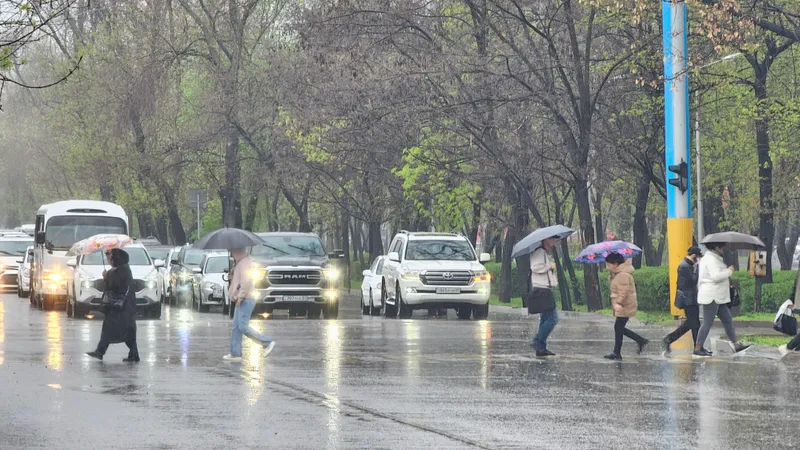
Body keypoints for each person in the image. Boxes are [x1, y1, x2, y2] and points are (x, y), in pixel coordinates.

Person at [693, 242, 750, 357]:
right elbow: (715, 277)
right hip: (712, 297)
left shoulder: (713, 258)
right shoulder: (711, 259)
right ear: (716, 248)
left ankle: (736, 344)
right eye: (722, 247)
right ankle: (698, 348)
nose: (724, 249)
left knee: (728, 320)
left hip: (718, 297)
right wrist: (729, 271)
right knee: (707, 323)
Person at [87, 248, 139, 362]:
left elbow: (114, 286)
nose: (109, 260)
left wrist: (106, 277)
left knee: (111, 329)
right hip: (124, 307)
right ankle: (134, 354)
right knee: (127, 331)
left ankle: (100, 351)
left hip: (120, 307)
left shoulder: (120, 271)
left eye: (111, 257)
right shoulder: (123, 269)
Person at [223, 248, 275, 361]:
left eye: (233, 252)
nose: (232, 254)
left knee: (242, 326)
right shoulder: (240, 263)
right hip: (241, 298)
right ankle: (235, 353)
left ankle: (266, 342)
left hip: (246, 299)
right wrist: (232, 278)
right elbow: (240, 281)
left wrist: (240, 297)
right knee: (236, 327)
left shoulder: (245, 263)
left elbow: (246, 282)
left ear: (238, 252)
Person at [603, 252, 648, 360]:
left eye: (609, 264)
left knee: (618, 327)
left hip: (624, 304)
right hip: (624, 304)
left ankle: (617, 352)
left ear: (615, 263)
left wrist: (619, 303)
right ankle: (640, 341)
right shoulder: (620, 273)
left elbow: (623, 291)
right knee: (619, 327)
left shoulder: (622, 274)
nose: (608, 266)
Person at [662, 247, 703, 353]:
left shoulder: (687, 265)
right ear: (693, 255)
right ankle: (697, 348)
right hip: (688, 299)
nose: (698, 259)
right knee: (694, 324)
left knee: (693, 323)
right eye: (698, 257)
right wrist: (698, 267)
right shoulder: (684, 266)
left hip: (690, 298)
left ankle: (670, 339)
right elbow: (693, 280)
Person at [529, 236, 559, 357]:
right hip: (542, 289)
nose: (554, 242)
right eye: (553, 239)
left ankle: (541, 347)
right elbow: (535, 267)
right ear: (546, 239)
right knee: (553, 318)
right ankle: (537, 341)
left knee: (545, 318)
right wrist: (549, 266)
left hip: (544, 288)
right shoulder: (539, 251)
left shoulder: (543, 252)